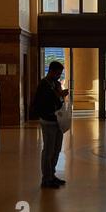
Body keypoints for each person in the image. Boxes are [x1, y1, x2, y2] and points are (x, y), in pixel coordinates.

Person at [34, 61, 69, 189]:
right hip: (48, 121)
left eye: (60, 73)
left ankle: (52, 175)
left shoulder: (56, 84)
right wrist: (57, 95)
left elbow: (59, 101)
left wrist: (61, 96)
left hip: (57, 121)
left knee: (56, 149)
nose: (59, 76)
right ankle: (46, 179)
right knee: (48, 150)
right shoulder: (44, 84)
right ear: (51, 71)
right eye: (58, 73)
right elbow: (41, 102)